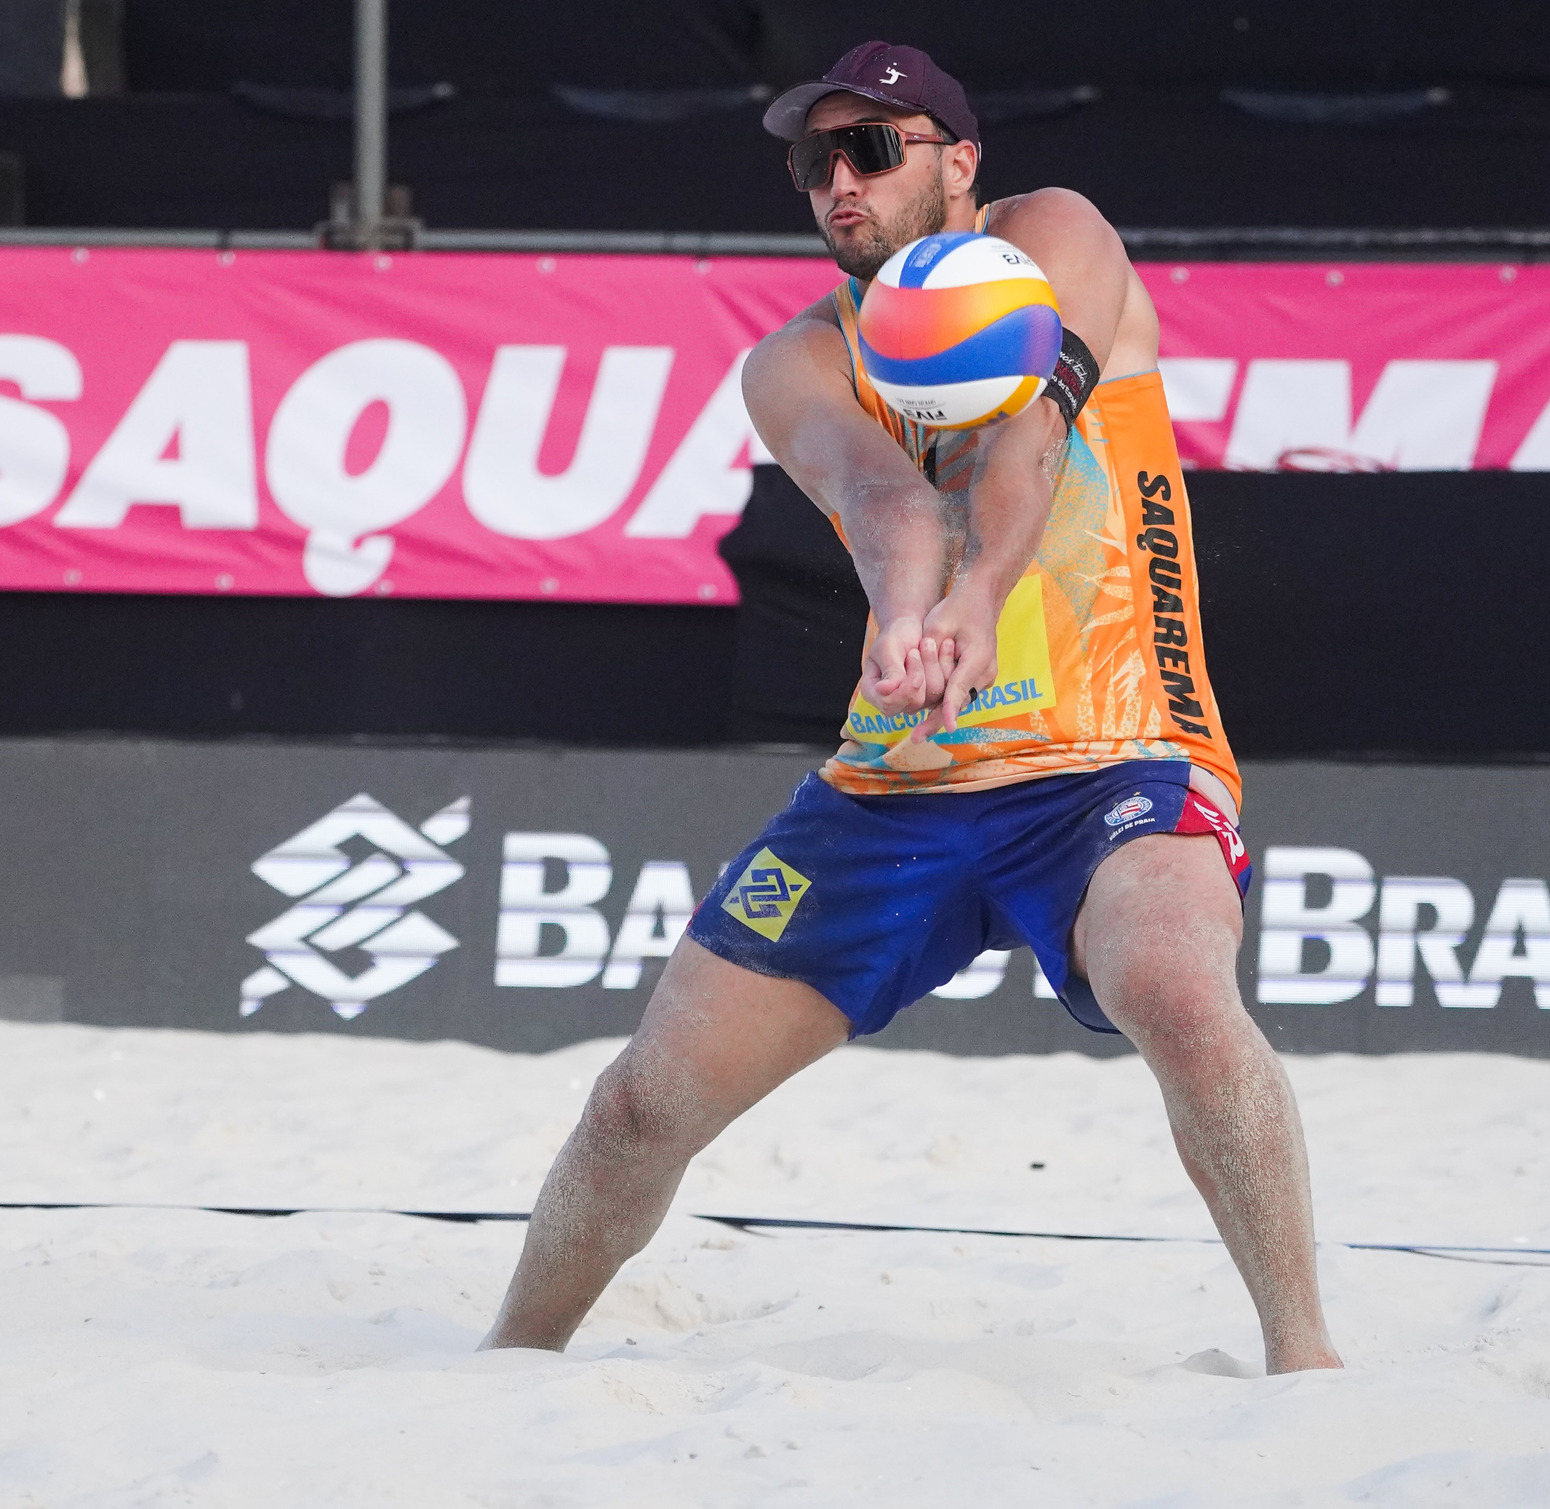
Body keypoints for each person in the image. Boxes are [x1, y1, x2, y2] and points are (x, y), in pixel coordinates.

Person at [483, 41, 1342, 1375]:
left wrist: (980, 594)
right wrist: (906, 617)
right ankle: (508, 1362)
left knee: (1174, 988)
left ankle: (1306, 1364)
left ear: (958, 160)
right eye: (813, 159)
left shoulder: (1055, 235)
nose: (839, 180)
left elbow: (1030, 437)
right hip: (901, 774)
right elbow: (885, 502)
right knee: (643, 1103)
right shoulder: (795, 358)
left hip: (1118, 748)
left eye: (872, 149)